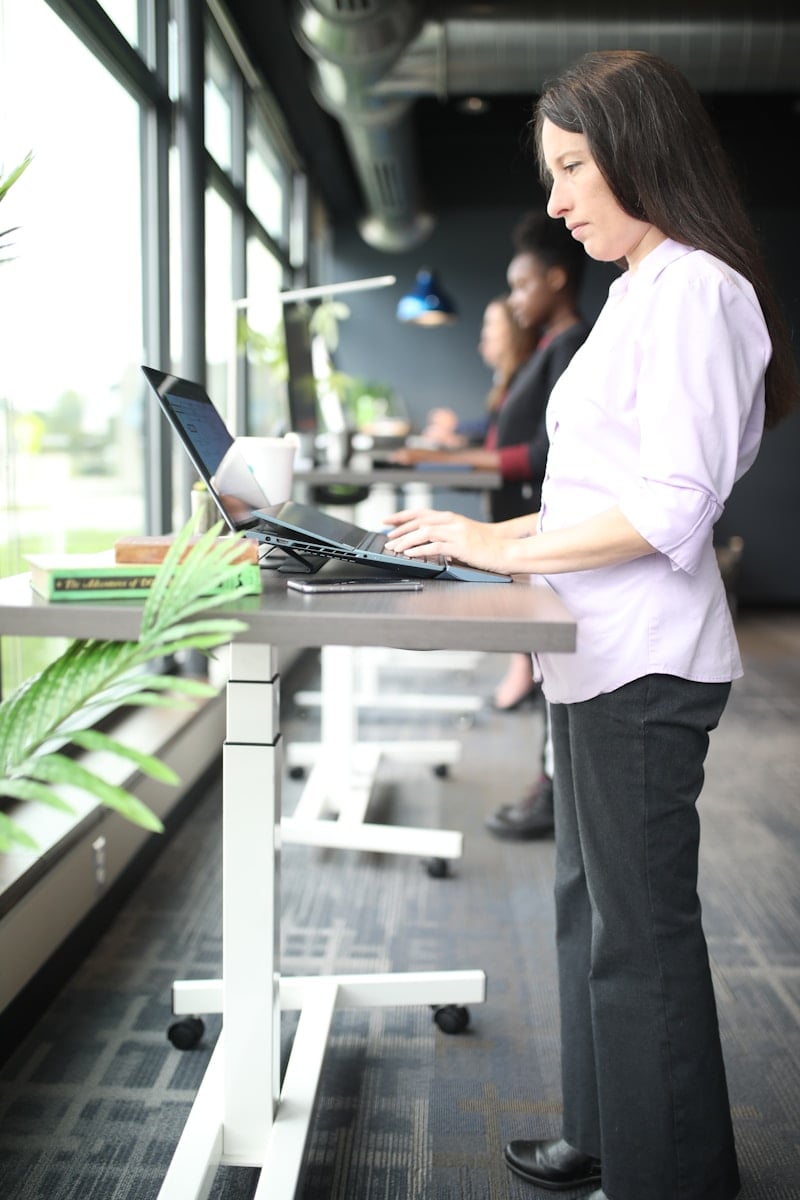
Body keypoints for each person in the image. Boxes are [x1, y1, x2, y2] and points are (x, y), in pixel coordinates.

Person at [383, 49, 799, 1200]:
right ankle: (604, 1131)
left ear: (639, 151)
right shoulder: (635, 289)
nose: (557, 198)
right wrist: (503, 550)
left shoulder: (701, 290)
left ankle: (671, 1176)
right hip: (592, 652)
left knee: (638, 926)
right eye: (550, 171)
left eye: (571, 167)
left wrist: (498, 543)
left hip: (645, 661)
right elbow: (588, 489)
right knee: (586, 903)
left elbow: (668, 505)